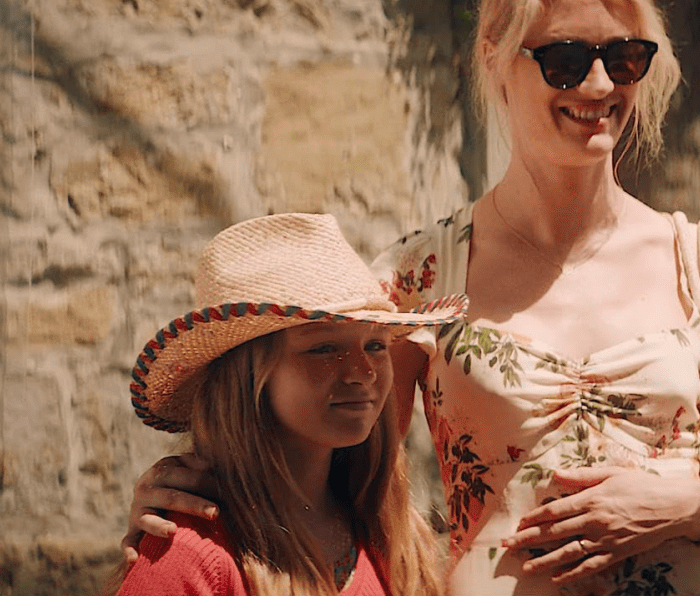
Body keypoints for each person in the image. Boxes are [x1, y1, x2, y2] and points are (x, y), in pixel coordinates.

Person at [120, 0, 700, 595]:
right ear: (495, 59)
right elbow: (329, 474)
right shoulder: (417, 278)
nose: (598, 83)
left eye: (624, 57)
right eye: (565, 59)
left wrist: (692, 506)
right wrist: (193, 513)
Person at [112, 213, 465, 595]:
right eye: (324, 348)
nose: (363, 371)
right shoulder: (191, 555)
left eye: (376, 344)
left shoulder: (395, 536)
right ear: (248, 376)